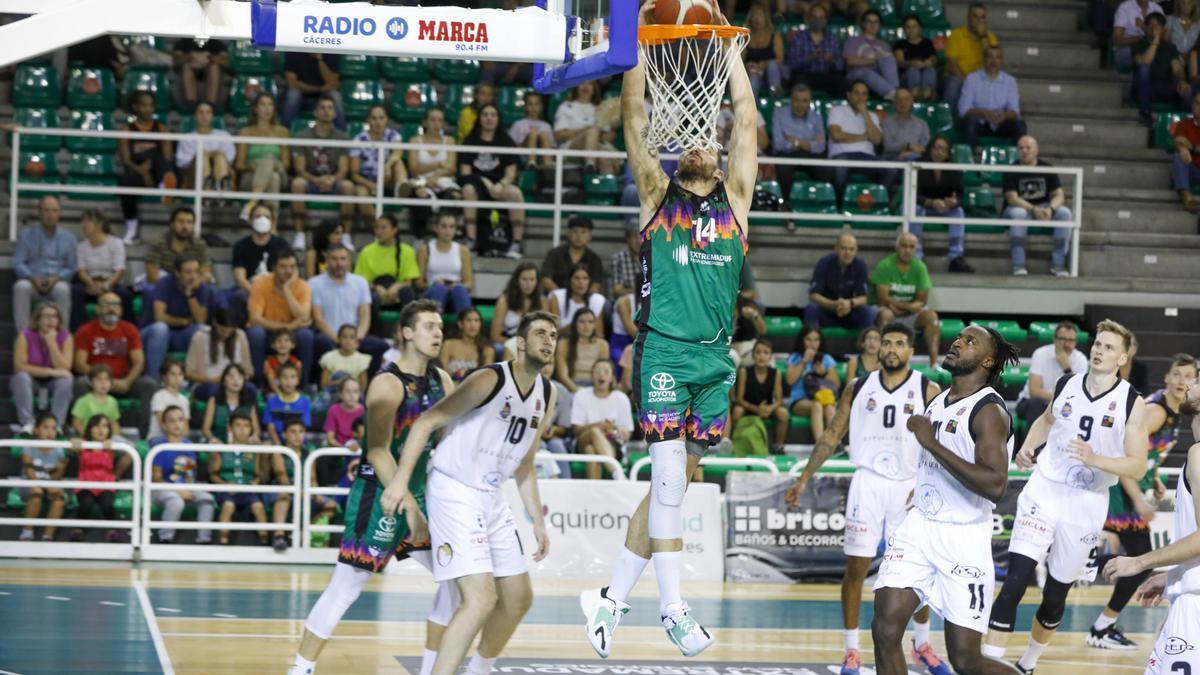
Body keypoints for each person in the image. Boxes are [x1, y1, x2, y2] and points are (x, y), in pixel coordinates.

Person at [581, 1, 756, 653]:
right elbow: (633, 120)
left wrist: (730, 54)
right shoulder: (659, 197)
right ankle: (674, 609)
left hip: (715, 361)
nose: (701, 141)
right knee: (668, 481)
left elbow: (747, 124)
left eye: (708, 137)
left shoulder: (736, 201)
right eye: (693, 138)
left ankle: (609, 600)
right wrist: (632, 49)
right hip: (661, 353)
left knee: (673, 484)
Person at [380, 311, 557, 675]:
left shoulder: (548, 394)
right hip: (454, 488)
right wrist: (399, 480)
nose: (548, 341)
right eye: (540, 333)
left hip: (490, 496)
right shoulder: (490, 378)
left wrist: (537, 521)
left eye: (553, 335)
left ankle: (478, 669)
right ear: (520, 343)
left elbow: (525, 463)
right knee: (479, 599)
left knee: (518, 599)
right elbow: (427, 421)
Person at [288, 301, 460, 675]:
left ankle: (433, 669)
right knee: (347, 586)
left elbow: (447, 442)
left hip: (421, 495)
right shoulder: (386, 383)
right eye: (429, 326)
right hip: (380, 494)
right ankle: (300, 668)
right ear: (407, 332)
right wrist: (408, 506)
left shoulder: (443, 381)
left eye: (441, 327)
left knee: (456, 579)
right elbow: (378, 450)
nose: (437, 333)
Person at [984, 320, 1150, 673]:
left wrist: (1096, 459)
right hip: (1045, 489)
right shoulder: (1066, 383)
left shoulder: (1132, 402)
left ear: (1122, 358)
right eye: (1098, 344)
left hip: (1087, 502)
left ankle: (1028, 663)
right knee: (1014, 581)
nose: (1099, 350)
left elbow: (1137, 466)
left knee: (1055, 595)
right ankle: (986, 665)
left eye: (1108, 347)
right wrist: (1028, 448)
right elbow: (1045, 420)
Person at [788, 322, 946, 675]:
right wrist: (803, 478)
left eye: (899, 343)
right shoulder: (858, 387)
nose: (891, 349)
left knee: (918, 569)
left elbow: (939, 446)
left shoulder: (927, 388)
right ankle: (851, 650)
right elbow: (832, 434)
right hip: (868, 482)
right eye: (886, 343)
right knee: (857, 568)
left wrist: (926, 484)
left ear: (911, 350)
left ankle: (921, 643)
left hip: (909, 486)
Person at [871, 325, 1021, 675]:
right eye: (958, 337)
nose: (957, 343)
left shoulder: (989, 412)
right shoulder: (940, 400)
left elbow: (996, 485)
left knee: (966, 661)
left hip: (963, 538)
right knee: (885, 629)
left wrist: (931, 444)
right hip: (919, 527)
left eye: (970, 341)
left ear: (987, 360)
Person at [1089, 353, 1197, 650]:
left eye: (1190, 376)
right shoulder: (1157, 411)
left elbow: (1149, 454)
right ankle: (1100, 623)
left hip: (1133, 485)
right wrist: (1138, 499)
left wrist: (1157, 478)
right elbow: (1127, 453)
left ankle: (1101, 620)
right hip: (1122, 486)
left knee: (1142, 560)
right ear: (1166, 377)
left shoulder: (1176, 411)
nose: (1183, 381)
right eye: (1178, 374)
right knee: (1140, 558)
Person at [72, 291, 156, 435]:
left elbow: (139, 362)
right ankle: (85, 434)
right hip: (96, 383)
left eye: (115, 304)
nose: (111, 308)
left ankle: (145, 435)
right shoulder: (86, 330)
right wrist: (101, 380)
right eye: (106, 304)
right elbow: (79, 364)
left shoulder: (129, 329)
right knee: (80, 383)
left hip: (123, 383)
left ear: (121, 310)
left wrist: (127, 381)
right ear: (97, 309)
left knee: (149, 384)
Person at [459, 103, 525, 258]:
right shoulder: (470, 141)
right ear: (479, 118)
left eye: (493, 115)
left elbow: (511, 173)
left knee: (515, 193)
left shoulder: (506, 141)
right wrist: (485, 182)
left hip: (499, 185)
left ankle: (516, 242)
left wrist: (500, 185)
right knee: (468, 190)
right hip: (477, 185)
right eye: (485, 114)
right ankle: (471, 239)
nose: (489, 118)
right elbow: (465, 173)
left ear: (498, 119)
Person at [1003, 135, 1073, 277]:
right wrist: (1034, 209)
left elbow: (1059, 195)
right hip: (1020, 208)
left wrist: (1050, 209)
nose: (1024, 151)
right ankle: (1018, 265)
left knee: (1065, 213)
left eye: (1028, 148)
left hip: (1044, 207)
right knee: (1018, 214)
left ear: (1036, 151)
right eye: (1021, 148)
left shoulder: (1047, 168)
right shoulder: (1011, 170)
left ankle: (1058, 265)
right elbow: (1012, 199)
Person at [289, 94, 354, 247]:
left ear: (335, 113)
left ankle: (346, 235)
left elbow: (344, 169)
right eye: (322, 108)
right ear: (315, 112)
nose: (326, 111)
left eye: (330, 108)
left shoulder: (343, 138)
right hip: (310, 181)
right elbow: (299, 169)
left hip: (334, 182)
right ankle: (299, 234)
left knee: (349, 187)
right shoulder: (302, 136)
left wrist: (332, 179)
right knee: (297, 184)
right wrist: (316, 180)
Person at [309, 243, 388, 368]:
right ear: (327, 260)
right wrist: (339, 340)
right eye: (334, 259)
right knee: (320, 342)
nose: (339, 263)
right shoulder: (315, 283)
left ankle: (372, 384)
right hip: (329, 337)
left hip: (356, 337)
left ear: (349, 261)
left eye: (343, 259)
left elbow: (365, 316)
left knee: (381, 346)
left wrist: (356, 339)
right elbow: (318, 319)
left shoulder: (360, 282)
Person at [248, 248, 316, 386]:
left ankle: (303, 386)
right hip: (268, 331)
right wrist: (289, 326)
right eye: (283, 267)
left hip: (292, 334)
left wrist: (286, 290)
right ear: (273, 268)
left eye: (292, 267)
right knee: (255, 333)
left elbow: (304, 317)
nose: (288, 271)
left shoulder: (302, 286)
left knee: (306, 335)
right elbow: (255, 319)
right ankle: (259, 386)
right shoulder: (260, 284)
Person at [149, 405, 215, 545]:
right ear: (164, 425)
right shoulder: (159, 446)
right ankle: (164, 539)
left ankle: (204, 541)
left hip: (184, 486)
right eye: (171, 421)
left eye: (180, 419)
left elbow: (189, 473)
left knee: (207, 499)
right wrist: (179, 491)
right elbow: (156, 479)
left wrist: (188, 487)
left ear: (185, 422)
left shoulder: (188, 444)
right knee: (176, 502)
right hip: (161, 488)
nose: (176, 424)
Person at [117, 91, 177, 244]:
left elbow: (168, 156)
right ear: (135, 107)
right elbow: (126, 160)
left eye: (151, 105)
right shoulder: (127, 129)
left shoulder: (161, 128)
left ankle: (165, 186)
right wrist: (143, 172)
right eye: (144, 105)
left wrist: (150, 163)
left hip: (158, 170)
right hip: (137, 172)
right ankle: (131, 227)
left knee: (158, 157)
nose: (148, 109)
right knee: (125, 180)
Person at [141, 255, 213, 380]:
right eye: (188, 272)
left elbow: (200, 320)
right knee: (160, 328)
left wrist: (190, 295)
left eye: (196, 271)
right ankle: (153, 379)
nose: (193, 276)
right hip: (153, 336)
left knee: (204, 330)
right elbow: (159, 317)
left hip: (180, 335)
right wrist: (184, 321)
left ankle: (199, 379)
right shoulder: (164, 283)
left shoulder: (200, 287)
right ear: (178, 273)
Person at [911, 135, 975, 273]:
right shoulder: (918, 165)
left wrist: (953, 202)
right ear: (931, 148)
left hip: (945, 208)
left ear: (948, 152)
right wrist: (931, 202)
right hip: (924, 205)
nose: (940, 152)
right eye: (937, 148)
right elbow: (912, 194)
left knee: (958, 212)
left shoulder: (954, 169)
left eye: (944, 149)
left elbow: (960, 195)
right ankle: (916, 256)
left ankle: (955, 257)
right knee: (914, 209)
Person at [872, 232, 941, 358]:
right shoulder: (885, 265)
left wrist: (900, 307)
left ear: (916, 249)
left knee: (932, 317)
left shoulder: (920, 267)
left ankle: (934, 363)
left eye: (911, 247)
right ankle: (881, 360)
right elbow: (882, 298)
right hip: (889, 311)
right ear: (897, 247)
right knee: (886, 315)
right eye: (904, 246)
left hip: (909, 314)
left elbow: (922, 300)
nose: (907, 250)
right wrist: (908, 307)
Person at [14, 195, 74, 332]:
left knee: (63, 289)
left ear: (59, 213)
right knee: (21, 286)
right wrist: (32, 278)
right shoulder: (26, 235)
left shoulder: (69, 238)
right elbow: (18, 263)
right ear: (39, 212)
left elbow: (71, 267)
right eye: (46, 210)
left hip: (56, 282)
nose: (50, 215)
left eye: (54, 210)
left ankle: (62, 336)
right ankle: (24, 336)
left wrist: (56, 278)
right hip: (32, 281)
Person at [1016, 320, 1089, 431]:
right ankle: (1033, 447)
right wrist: (1059, 398)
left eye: (1071, 340)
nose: (1066, 344)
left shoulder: (1081, 359)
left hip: (1061, 405)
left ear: (1076, 342)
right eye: (1062, 339)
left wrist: (1067, 369)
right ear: (1054, 339)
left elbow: (1078, 394)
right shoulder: (1040, 354)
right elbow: (1034, 391)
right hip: (1029, 403)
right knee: (1037, 403)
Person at [209, 412, 270, 546]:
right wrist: (224, 484)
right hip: (227, 493)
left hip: (247, 492)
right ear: (230, 428)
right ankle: (223, 542)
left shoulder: (255, 451)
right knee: (228, 506)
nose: (242, 430)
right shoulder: (222, 449)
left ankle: (265, 542)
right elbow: (213, 475)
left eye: (247, 426)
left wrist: (256, 481)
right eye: (238, 425)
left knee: (258, 506)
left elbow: (259, 474)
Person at [12, 302, 74, 432]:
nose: (50, 320)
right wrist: (51, 371)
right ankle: (27, 424)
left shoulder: (65, 336)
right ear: (38, 319)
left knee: (66, 381)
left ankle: (57, 425)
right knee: (21, 377)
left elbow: (64, 367)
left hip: (53, 382)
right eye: (46, 316)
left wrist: (52, 343)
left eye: (54, 316)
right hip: (32, 380)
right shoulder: (25, 335)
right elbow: (20, 367)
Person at [827, 81, 888, 208]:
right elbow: (837, 136)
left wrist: (865, 113)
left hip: (866, 157)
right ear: (849, 95)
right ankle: (839, 208)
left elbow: (876, 140)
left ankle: (876, 205)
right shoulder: (837, 111)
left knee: (891, 170)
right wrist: (864, 136)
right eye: (857, 93)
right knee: (840, 168)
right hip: (842, 155)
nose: (860, 97)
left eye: (864, 94)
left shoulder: (872, 116)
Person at [405, 107, 462, 238]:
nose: (437, 124)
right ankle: (419, 237)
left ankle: (445, 237)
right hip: (420, 181)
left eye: (440, 121)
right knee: (420, 197)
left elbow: (452, 168)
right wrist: (438, 165)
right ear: (425, 122)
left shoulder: (450, 141)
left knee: (453, 197)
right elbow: (414, 168)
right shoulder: (415, 141)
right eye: (433, 120)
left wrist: (434, 177)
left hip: (445, 182)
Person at [572, 360, 634, 480]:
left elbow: (626, 435)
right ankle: (617, 473)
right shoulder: (582, 395)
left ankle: (593, 495)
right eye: (597, 371)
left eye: (606, 371)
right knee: (595, 431)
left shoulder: (621, 398)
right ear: (591, 376)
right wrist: (599, 426)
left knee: (591, 450)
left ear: (612, 377)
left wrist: (613, 431)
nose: (601, 374)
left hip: (613, 444)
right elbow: (576, 430)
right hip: (582, 440)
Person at [235, 93, 292, 222]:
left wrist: (267, 162)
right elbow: (239, 165)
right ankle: (272, 226)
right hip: (251, 177)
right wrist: (252, 167)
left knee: (269, 159)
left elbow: (286, 164)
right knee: (273, 179)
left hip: (278, 169)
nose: (267, 108)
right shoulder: (246, 132)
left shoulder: (282, 132)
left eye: (270, 105)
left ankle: (252, 203)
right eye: (263, 104)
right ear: (255, 109)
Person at [772, 84, 828, 214]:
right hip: (787, 155)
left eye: (805, 101)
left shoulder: (816, 118)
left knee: (826, 169)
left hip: (810, 155)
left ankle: (820, 206)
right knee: (783, 166)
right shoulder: (779, 114)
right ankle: (787, 205)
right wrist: (809, 143)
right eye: (797, 100)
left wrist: (795, 141)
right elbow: (778, 144)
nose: (800, 104)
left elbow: (821, 147)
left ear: (809, 102)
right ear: (791, 100)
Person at [356, 214, 420, 325]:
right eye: (376, 227)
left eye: (383, 227)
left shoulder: (407, 251)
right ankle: (372, 332)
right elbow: (361, 281)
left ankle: (406, 328)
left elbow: (408, 281)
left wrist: (396, 287)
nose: (379, 231)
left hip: (397, 291)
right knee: (371, 297)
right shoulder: (366, 251)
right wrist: (376, 288)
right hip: (375, 290)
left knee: (408, 292)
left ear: (394, 230)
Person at [805, 231, 876, 330]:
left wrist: (849, 304)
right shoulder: (824, 263)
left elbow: (864, 298)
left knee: (866, 311)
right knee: (811, 309)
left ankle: (869, 344)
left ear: (856, 251)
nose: (847, 253)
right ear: (836, 249)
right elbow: (813, 295)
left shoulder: (860, 265)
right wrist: (833, 305)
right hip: (827, 310)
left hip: (848, 311)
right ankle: (811, 344)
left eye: (851, 249)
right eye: (844, 248)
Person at [349, 104, 405, 225]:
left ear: (387, 120)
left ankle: (402, 188)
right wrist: (370, 185)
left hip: (388, 179)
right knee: (360, 194)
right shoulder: (358, 140)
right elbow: (354, 174)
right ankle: (377, 228)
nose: (378, 122)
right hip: (366, 181)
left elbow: (397, 153)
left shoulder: (393, 135)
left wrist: (387, 166)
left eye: (381, 118)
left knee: (398, 163)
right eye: (374, 118)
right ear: (368, 120)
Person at [71, 209, 127, 330]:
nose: (83, 225)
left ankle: (128, 331)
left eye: (87, 221)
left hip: (111, 283)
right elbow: (81, 270)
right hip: (89, 284)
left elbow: (119, 270)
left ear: (99, 224)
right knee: (75, 291)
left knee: (125, 295)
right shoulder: (82, 246)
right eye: (83, 221)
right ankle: (78, 331)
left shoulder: (116, 243)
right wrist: (92, 284)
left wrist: (106, 285)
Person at [731, 339, 790, 454]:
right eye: (758, 352)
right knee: (737, 411)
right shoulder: (744, 372)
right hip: (748, 407)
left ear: (770, 357)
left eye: (765, 353)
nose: (761, 356)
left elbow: (779, 400)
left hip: (767, 408)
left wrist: (770, 408)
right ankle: (735, 441)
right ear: (753, 356)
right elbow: (739, 399)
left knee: (783, 413)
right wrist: (757, 409)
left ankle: (779, 445)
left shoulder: (776, 373)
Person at [958, 47, 1025, 147]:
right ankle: (973, 157)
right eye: (990, 57)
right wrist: (984, 113)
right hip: (980, 123)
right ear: (984, 59)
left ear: (1001, 60)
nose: (994, 61)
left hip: (1001, 123)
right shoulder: (972, 79)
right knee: (969, 122)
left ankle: (1016, 158)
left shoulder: (1010, 81)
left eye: (997, 57)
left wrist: (1004, 115)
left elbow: (1015, 111)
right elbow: (963, 110)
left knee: (1020, 125)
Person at [70, 414, 123, 542]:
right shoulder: (83, 444)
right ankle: (78, 529)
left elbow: (131, 446)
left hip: (106, 486)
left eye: (105, 426)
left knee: (107, 504)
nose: (101, 429)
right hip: (86, 486)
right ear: (89, 429)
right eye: (97, 426)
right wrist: (73, 442)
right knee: (86, 503)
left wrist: (114, 443)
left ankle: (112, 530)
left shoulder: (112, 446)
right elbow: (70, 445)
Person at [17, 413, 67, 542]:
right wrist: (44, 485)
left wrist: (61, 467)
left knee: (59, 499)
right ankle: (27, 532)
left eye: (53, 428)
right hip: (29, 484)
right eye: (46, 427)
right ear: (36, 430)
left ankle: (47, 536)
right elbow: (29, 473)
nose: (50, 432)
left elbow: (56, 477)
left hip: (49, 484)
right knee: (36, 492)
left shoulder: (59, 450)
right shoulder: (29, 447)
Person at [186, 307, 254, 402]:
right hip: (207, 383)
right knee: (215, 392)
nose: (226, 335)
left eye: (229, 332)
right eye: (222, 330)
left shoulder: (240, 336)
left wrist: (237, 379)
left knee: (251, 390)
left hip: (235, 382)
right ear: (215, 323)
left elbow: (248, 370)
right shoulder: (200, 337)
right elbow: (189, 373)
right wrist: (214, 380)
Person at [943, 2, 999, 117]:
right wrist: (968, 82)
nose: (979, 20)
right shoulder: (956, 35)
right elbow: (951, 65)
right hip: (959, 77)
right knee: (954, 83)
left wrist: (983, 37)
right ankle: (951, 122)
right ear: (968, 17)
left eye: (982, 17)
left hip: (982, 80)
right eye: (975, 16)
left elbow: (992, 62)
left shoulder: (990, 38)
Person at [785, 324, 841, 439]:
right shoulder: (795, 357)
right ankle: (820, 446)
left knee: (830, 407)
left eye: (816, 340)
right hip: (799, 401)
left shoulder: (826, 358)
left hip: (824, 399)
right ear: (802, 341)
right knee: (817, 406)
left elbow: (837, 384)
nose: (812, 344)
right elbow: (790, 381)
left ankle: (836, 445)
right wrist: (804, 361)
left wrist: (824, 374)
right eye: (808, 339)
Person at [1133, 13, 1190, 124]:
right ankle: (1145, 113)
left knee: (1187, 90)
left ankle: (1190, 121)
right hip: (1144, 88)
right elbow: (1144, 61)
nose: (1154, 28)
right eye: (1150, 25)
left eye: (1157, 25)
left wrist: (1182, 81)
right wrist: (1156, 41)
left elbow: (1177, 69)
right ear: (1146, 28)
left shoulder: (1169, 47)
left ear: (1163, 28)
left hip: (1165, 87)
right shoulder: (1139, 44)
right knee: (1144, 69)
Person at [554, 81, 619, 174]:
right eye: (582, 82)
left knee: (605, 158)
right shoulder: (565, 107)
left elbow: (606, 139)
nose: (586, 86)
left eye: (590, 84)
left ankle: (606, 186)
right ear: (576, 87)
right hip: (571, 148)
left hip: (596, 147)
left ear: (594, 88)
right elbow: (559, 135)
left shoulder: (600, 109)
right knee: (593, 132)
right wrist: (586, 131)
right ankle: (590, 164)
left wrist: (613, 127)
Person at [417, 211, 474, 314]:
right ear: (436, 228)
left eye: (452, 227)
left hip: (455, 294)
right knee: (440, 289)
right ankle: (433, 325)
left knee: (460, 290)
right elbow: (418, 283)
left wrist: (455, 285)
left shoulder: (463, 250)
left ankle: (464, 327)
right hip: (433, 293)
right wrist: (432, 283)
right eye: (444, 226)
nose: (448, 231)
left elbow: (469, 283)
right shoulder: (425, 250)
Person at [786, 4, 847, 97]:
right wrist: (808, 59)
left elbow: (841, 66)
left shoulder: (832, 38)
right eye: (814, 17)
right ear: (809, 19)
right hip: (805, 75)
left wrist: (832, 61)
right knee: (799, 82)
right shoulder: (799, 37)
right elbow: (792, 64)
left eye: (821, 17)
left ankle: (839, 111)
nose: (818, 20)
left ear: (826, 20)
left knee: (842, 83)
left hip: (826, 75)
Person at [145, 206, 213, 287]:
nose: (185, 226)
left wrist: (191, 285)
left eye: (189, 222)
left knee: (210, 288)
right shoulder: (158, 244)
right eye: (181, 222)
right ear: (172, 224)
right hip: (164, 285)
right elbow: (152, 277)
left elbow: (206, 273)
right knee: (149, 289)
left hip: (192, 284)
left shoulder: (200, 245)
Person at [175, 101, 235, 192]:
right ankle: (206, 190)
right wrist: (205, 154)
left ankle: (221, 191)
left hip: (221, 168)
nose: (204, 116)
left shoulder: (224, 135)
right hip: (194, 175)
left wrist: (213, 155)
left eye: (208, 112)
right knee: (202, 155)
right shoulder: (187, 138)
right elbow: (182, 163)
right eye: (200, 112)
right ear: (195, 116)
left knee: (220, 155)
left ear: (213, 116)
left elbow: (230, 158)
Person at [232, 204, 290, 295]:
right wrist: (257, 294)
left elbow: (289, 274)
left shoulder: (282, 245)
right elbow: (240, 278)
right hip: (250, 291)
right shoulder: (241, 246)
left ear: (272, 222)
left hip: (276, 291)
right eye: (258, 216)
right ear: (250, 221)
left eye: (267, 217)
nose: (262, 220)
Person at [541, 215, 605, 293]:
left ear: (589, 236)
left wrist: (585, 299)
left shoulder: (595, 259)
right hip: (557, 299)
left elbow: (596, 284)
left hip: (584, 301)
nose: (579, 236)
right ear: (568, 234)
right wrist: (562, 297)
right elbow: (546, 279)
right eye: (575, 231)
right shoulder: (554, 254)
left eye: (583, 232)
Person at [844, 11, 900, 99]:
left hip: (878, 76)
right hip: (857, 74)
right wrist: (874, 60)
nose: (872, 24)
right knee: (867, 73)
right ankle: (894, 94)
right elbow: (850, 61)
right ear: (863, 23)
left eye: (876, 22)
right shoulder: (853, 41)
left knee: (889, 58)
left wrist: (879, 59)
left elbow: (888, 67)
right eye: (869, 21)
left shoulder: (884, 45)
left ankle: (895, 90)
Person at [202, 363, 261, 445]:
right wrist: (212, 439)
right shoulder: (214, 401)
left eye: (240, 377)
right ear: (223, 380)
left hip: (244, 445)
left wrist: (254, 437)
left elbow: (256, 430)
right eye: (231, 377)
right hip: (219, 445)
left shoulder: (249, 402)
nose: (236, 380)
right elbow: (206, 429)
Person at [282, 52, 343, 129]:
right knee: (293, 95)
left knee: (335, 95)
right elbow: (292, 84)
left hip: (324, 97)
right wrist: (320, 89)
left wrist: (320, 60)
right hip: (302, 96)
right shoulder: (294, 50)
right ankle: (284, 132)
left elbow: (333, 84)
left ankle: (342, 136)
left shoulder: (332, 51)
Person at [490, 263, 544, 350]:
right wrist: (517, 345)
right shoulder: (504, 300)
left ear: (537, 282)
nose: (528, 284)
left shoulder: (542, 301)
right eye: (524, 279)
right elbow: (495, 336)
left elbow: (547, 333)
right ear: (516, 281)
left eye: (532, 279)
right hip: (506, 343)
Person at [555, 308, 609, 393]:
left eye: (591, 322)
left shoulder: (603, 344)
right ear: (575, 324)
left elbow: (603, 372)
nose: (587, 326)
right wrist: (577, 391)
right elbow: (563, 376)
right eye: (582, 322)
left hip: (594, 386)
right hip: (571, 385)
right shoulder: (564, 343)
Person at [546, 264, 607, 333]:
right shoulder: (557, 297)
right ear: (569, 280)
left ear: (590, 281)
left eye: (585, 278)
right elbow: (554, 333)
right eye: (577, 278)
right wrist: (576, 323)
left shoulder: (596, 300)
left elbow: (599, 334)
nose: (581, 282)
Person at [439, 308, 495, 383]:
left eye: (476, 320)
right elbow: (442, 373)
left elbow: (486, 378)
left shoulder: (488, 350)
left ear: (480, 324)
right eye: (468, 320)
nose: (473, 324)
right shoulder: (448, 345)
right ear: (460, 324)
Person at [263, 362, 313, 446]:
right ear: (278, 380)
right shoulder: (271, 401)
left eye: (292, 377)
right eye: (285, 377)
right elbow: (270, 426)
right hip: (276, 442)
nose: (288, 381)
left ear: (298, 380)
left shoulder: (305, 402)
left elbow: (303, 426)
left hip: (298, 442)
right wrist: (277, 442)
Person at [172, 38, 227, 112]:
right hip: (189, 70)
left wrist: (209, 58)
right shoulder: (184, 42)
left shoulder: (216, 43)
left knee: (214, 68)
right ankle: (191, 104)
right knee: (186, 67)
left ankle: (210, 105)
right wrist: (191, 57)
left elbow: (225, 61)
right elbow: (176, 60)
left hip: (210, 70)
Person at [743, 4, 786, 97]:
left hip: (775, 72)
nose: (756, 19)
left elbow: (780, 59)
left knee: (772, 64)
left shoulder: (774, 36)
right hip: (754, 73)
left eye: (759, 15)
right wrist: (749, 66)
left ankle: (776, 92)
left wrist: (764, 64)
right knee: (754, 78)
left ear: (766, 18)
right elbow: (740, 62)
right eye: (753, 16)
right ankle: (755, 109)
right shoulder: (746, 38)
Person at [894, 14, 939, 101]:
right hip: (906, 77)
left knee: (930, 70)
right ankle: (914, 94)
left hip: (925, 73)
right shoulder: (899, 44)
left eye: (914, 27)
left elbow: (934, 58)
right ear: (904, 29)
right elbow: (899, 62)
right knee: (913, 71)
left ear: (919, 28)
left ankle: (927, 94)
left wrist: (928, 62)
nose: (911, 30)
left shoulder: (927, 43)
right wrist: (912, 64)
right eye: (908, 27)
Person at [1113, 0, 1166, 70]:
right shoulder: (1125, 7)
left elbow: (1163, 34)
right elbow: (1117, 39)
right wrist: (1140, 38)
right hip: (1127, 49)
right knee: (1145, 58)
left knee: (1165, 53)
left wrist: (1143, 27)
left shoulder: (1157, 8)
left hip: (1152, 47)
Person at [509, 91, 556, 169]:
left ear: (541, 106)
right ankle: (531, 163)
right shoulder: (518, 124)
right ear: (525, 106)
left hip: (541, 157)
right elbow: (511, 146)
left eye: (536, 104)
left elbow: (552, 147)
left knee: (544, 134)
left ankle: (548, 164)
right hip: (522, 157)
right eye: (530, 104)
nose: (533, 107)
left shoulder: (546, 126)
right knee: (533, 134)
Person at [1170, 92, 1200, 212]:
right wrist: (1182, 148)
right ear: (1192, 106)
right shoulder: (1184, 124)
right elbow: (1178, 140)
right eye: (1197, 104)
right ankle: (1187, 198)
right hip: (1192, 170)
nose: (1199, 107)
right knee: (1178, 156)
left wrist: (1191, 147)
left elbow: (1187, 143)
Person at [71, 364, 121, 437]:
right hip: (88, 439)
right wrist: (89, 436)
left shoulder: (112, 401)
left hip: (106, 440)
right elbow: (76, 423)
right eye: (99, 380)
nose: (103, 383)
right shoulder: (83, 401)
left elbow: (114, 423)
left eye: (107, 380)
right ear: (91, 382)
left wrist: (115, 437)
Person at [881, 89, 929, 163]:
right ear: (894, 103)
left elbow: (925, 148)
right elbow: (888, 146)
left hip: (916, 157)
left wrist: (910, 153)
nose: (903, 103)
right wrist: (907, 146)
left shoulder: (922, 124)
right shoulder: (887, 122)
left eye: (906, 99)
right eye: (899, 100)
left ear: (912, 102)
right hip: (893, 158)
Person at [319, 325, 371, 391]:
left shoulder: (361, 359)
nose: (348, 340)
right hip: (333, 393)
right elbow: (323, 384)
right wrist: (338, 383)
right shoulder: (330, 357)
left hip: (353, 394)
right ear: (338, 339)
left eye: (352, 337)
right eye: (344, 337)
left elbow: (363, 385)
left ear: (356, 340)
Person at [148, 360, 189, 441]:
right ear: (164, 376)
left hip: (178, 440)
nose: (177, 378)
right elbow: (163, 426)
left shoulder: (184, 400)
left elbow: (186, 428)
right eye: (173, 374)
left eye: (180, 374)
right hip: (157, 440)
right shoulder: (158, 397)